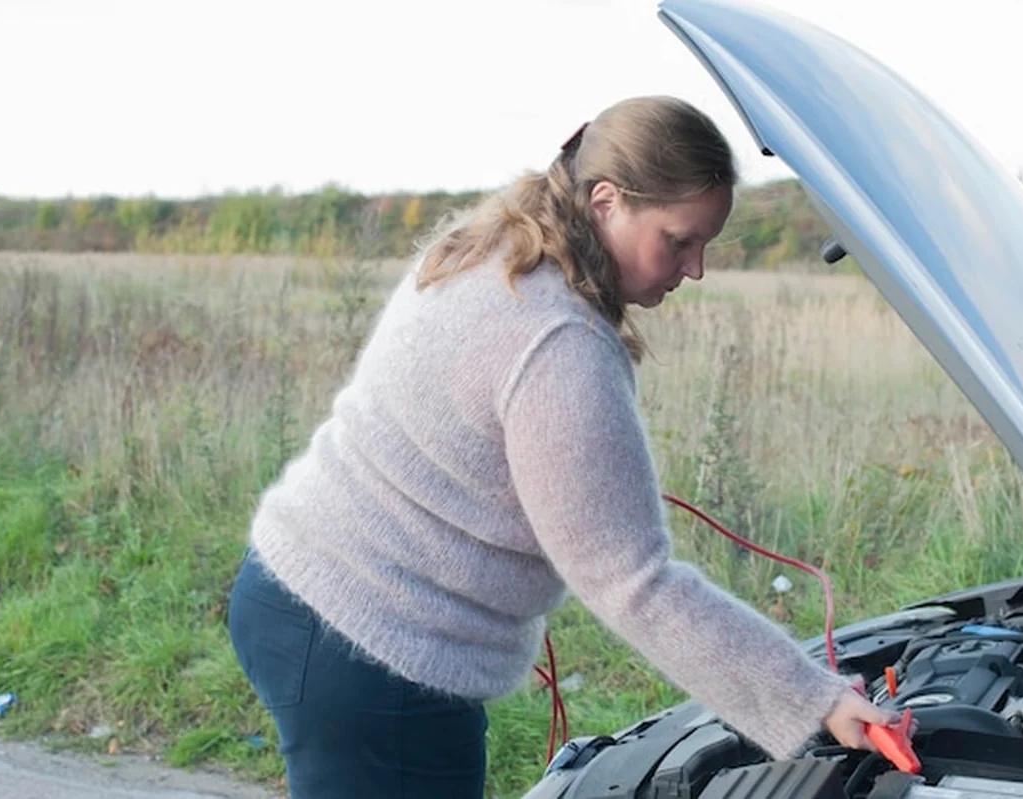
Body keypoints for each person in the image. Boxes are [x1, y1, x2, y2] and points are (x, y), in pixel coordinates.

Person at [226, 95, 892, 798]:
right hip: (370, 650)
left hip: (296, 593)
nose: (694, 268)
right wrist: (814, 698)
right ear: (605, 201)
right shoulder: (559, 343)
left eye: (705, 245)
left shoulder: (497, 251)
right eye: (678, 239)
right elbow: (633, 581)